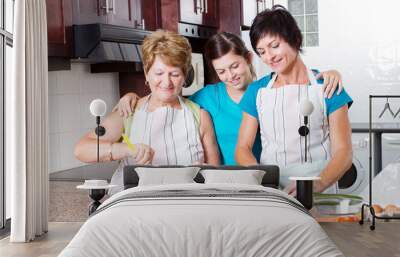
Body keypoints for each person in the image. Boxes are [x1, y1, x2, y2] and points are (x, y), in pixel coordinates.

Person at [115, 32, 343, 165]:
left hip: (272, 181)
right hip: (224, 186)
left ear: (249, 59)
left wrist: (329, 75)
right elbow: (169, 97)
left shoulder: (268, 92)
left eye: (235, 66)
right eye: (221, 71)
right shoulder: (207, 97)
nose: (230, 76)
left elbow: (298, 85)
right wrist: (133, 96)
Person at [74, 30, 220, 193]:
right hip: (135, 208)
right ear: (146, 73)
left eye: (174, 74)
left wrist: (206, 173)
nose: (166, 82)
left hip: (186, 206)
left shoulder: (199, 116)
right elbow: (82, 150)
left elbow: (215, 178)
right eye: (159, 73)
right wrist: (125, 149)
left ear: (185, 75)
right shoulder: (129, 111)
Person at [235, 5, 353, 195]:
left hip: (322, 189)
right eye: (261, 51)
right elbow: (242, 148)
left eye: (274, 46)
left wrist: (316, 186)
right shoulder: (257, 92)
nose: (269, 57)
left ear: (295, 40)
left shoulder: (328, 87)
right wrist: (264, 182)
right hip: (273, 190)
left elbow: (344, 152)